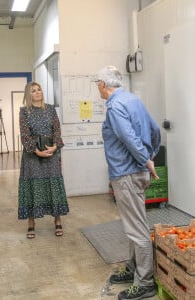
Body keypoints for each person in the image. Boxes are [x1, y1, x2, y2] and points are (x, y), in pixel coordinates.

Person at [94, 66, 161, 300]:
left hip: (126, 174)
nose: (97, 88)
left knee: (137, 229)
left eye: (97, 84)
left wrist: (145, 159)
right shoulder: (134, 100)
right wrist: (150, 156)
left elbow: (127, 137)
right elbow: (155, 130)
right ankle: (133, 269)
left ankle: (144, 283)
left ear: (103, 84)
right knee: (134, 224)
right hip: (137, 173)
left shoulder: (114, 106)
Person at [18, 81, 69, 239]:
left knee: (53, 185)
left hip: (50, 153)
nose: (37, 92)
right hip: (32, 155)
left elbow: (57, 130)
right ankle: (31, 223)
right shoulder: (24, 112)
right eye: (33, 91)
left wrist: (55, 146)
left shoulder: (50, 109)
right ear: (29, 94)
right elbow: (25, 134)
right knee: (33, 187)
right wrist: (36, 152)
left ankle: (57, 220)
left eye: (39, 89)